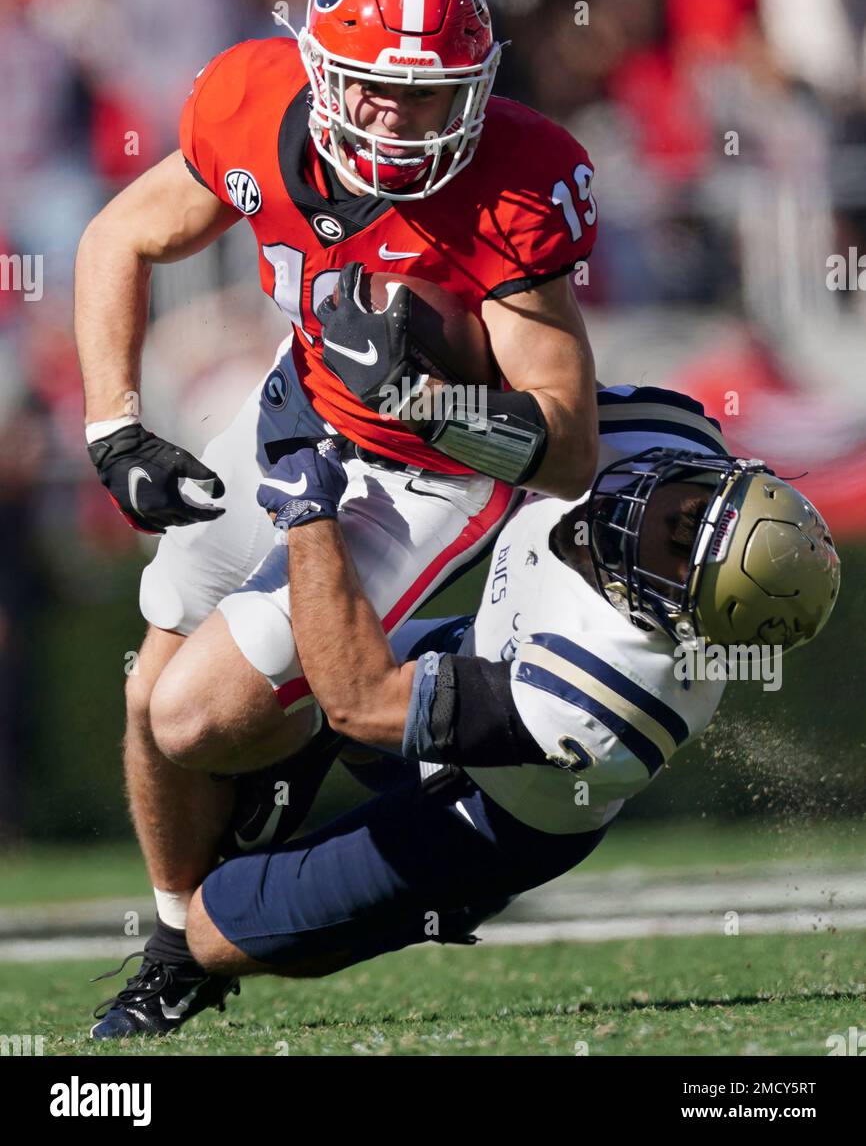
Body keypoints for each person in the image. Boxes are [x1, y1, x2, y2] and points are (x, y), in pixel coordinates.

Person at [77, 0, 601, 1036]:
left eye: (432, 97)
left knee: (192, 715)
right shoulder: (247, 104)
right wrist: (117, 428)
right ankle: (176, 943)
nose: (403, 124)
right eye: (379, 91)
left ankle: (339, 721)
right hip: (295, 410)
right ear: (321, 72)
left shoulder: (508, 186)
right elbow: (119, 234)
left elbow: (565, 449)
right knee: (146, 699)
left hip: (426, 474)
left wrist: (432, 406)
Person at [90, 385, 840, 1029]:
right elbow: (530, 393)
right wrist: (405, 386)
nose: (659, 521)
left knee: (214, 928)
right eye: (696, 505)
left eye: (677, 555)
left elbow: (363, 700)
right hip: (475, 653)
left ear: (683, 621)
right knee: (227, 701)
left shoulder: (608, 699)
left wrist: (310, 516)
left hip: (497, 804)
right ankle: (286, 768)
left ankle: (424, 902)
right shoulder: (672, 436)